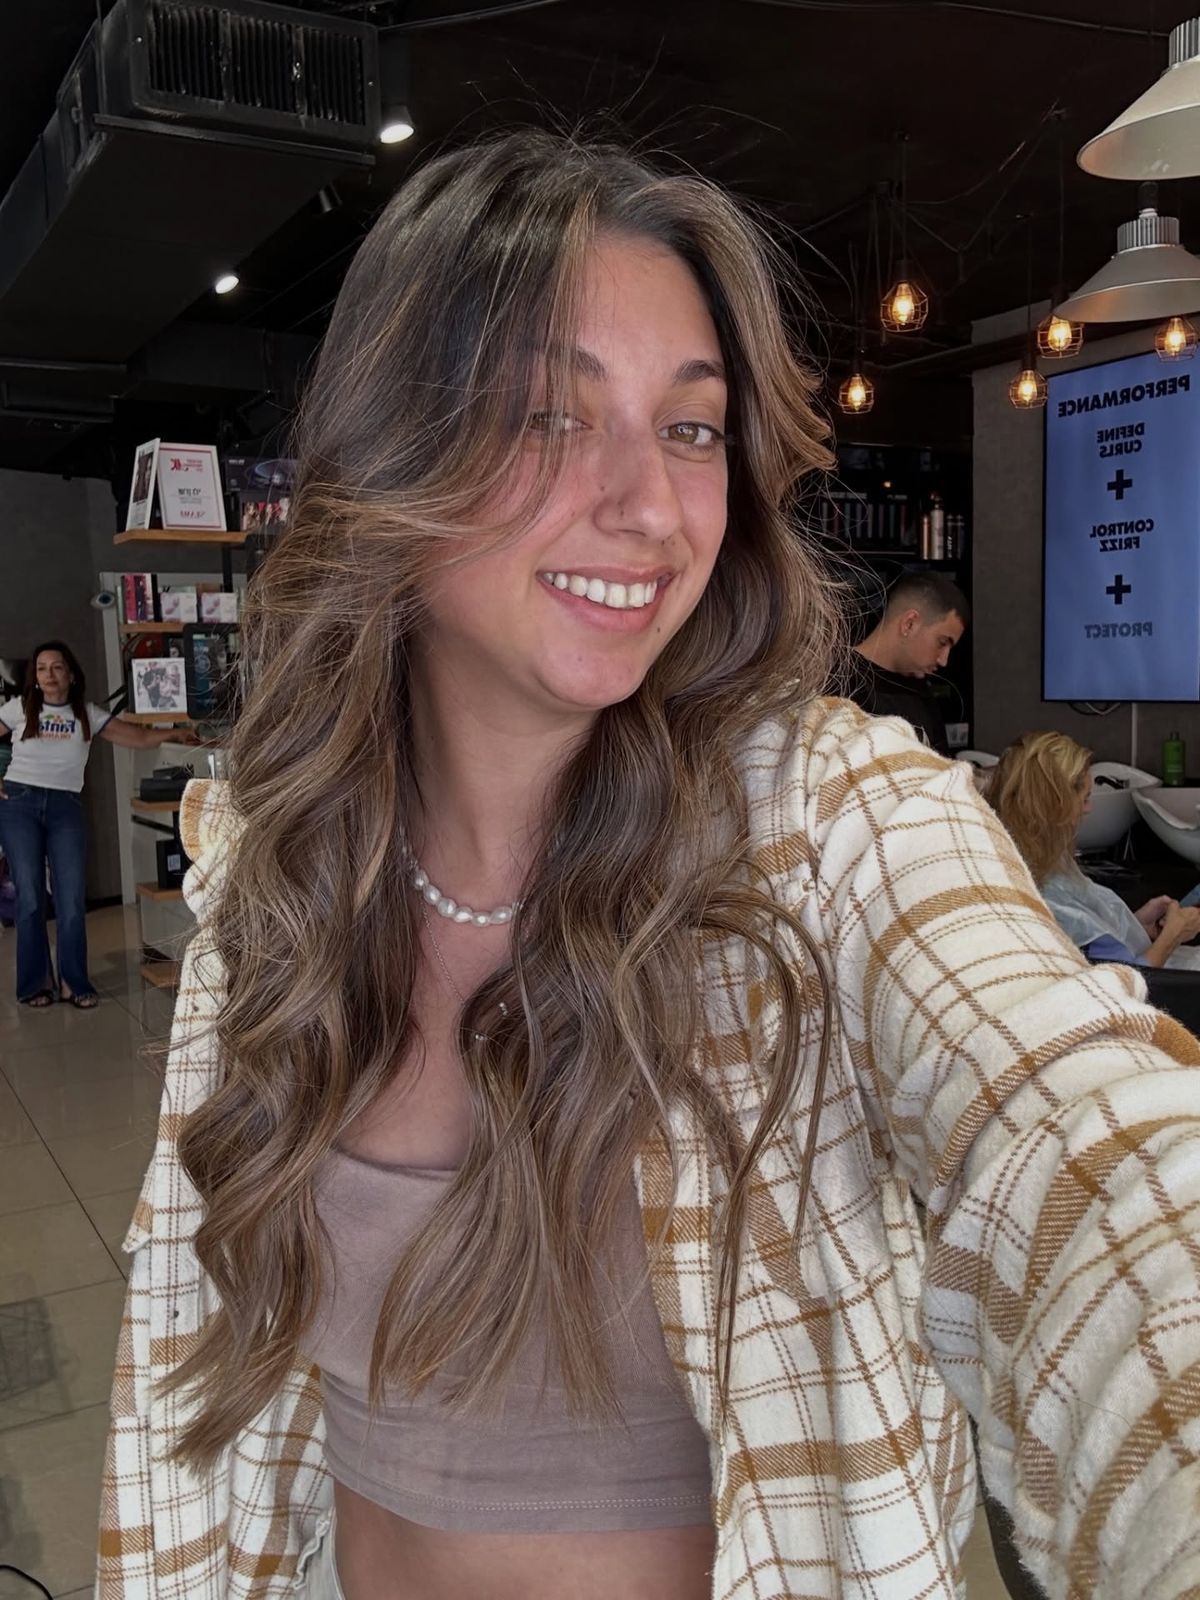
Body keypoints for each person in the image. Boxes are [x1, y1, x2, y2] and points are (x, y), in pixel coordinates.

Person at [99, 135, 1200, 1600]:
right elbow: (187, 1359)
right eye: (550, 416)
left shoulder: (830, 819)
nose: (650, 505)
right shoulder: (283, 868)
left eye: (691, 429)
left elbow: (1085, 1147)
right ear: (393, 447)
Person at [0, 640, 188, 1007]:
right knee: (31, 898)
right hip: (19, 804)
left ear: (71, 674)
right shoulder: (19, 708)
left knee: (71, 899)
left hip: (66, 806)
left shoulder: (87, 713)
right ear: (35, 678)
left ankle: (73, 982)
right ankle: (35, 984)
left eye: (57, 667)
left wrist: (173, 734)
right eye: (42, 668)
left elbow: (137, 737)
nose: (49, 675)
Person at [989, 729, 1200, 969]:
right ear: (1055, 803)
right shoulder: (1041, 894)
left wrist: (1136, 926)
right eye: (1085, 798)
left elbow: (1093, 945)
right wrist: (1171, 938)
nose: (1087, 809)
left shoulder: (1029, 863)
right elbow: (1127, 981)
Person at [845, 570, 968, 753]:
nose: (944, 661)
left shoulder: (922, 695)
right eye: (942, 643)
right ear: (909, 624)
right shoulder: (839, 685)